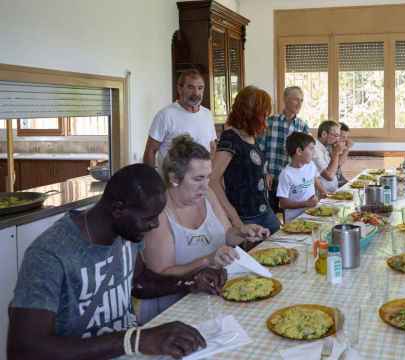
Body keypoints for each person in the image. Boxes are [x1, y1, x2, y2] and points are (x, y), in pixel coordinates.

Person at [7, 164, 227, 360]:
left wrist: (190, 281)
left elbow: (139, 281)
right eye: (148, 218)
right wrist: (135, 340)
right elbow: (24, 349)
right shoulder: (50, 254)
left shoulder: (128, 233)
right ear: (118, 210)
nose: (154, 226)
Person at [138, 135, 269, 324]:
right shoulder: (159, 214)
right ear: (174, 178)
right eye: (198, 178)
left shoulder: (207, 195)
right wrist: (207, 260)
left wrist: (242, 231)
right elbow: (159, 276)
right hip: (174, 310)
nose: (205, 185)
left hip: (210, 294)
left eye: (208, 177)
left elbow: (226, 235)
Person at [210, 86, 281, 236]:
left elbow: (249, 167)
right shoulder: (230, 138)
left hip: (264, 211)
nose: (267, 117)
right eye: (264, 113)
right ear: (251, 113)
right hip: (245, 217)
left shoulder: (251, 136)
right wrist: (235, 220)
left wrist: (264, 173)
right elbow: (213, 180)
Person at [143, 69, 217, 168]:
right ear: (179, 88)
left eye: (200, 88)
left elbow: (212, 147)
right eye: (190, 87)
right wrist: (151, 181)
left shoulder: (207, 114)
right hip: (172, 182)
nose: (196, 93)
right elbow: (150, 151)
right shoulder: (165, 115)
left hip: (201, 180)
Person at [257, 86, 310, 212]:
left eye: (301, 100)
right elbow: (259, 151)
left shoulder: (303, 127)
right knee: (270, 217)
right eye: (296, 99)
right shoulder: (269, 122)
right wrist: (265, 173)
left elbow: (306, 156)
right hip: (271, 179)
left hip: (292, 181)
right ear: (285, 99)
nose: (299, 103)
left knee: (292, 220)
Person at [277, 132, 326, 222]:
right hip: (295, 221)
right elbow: (283, 203)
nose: (314, 153)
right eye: (311, 149)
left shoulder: (311, 165)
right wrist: (306, 204)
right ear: (299, 151)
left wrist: (324, 193)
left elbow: (314, 178)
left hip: (312, 214)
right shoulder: (286, 174)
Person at [312, 120, 345, 194]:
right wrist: (336, 153)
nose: (337, 139)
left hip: (332, 192)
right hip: (322, 195)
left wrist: (336, 152)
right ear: (324, 134)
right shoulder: (314, 148)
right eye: (336, 135)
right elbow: (329, 176)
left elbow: (335, 167)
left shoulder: (326, 147)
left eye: (338, 136)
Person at [332, 122, 354, 187]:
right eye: (343, 137)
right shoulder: (330, 148)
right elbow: (338, 164)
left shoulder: (337, 147)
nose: (345, 140)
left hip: (341, 180)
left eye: (346, 137)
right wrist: (347, 149)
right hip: (334, 184)